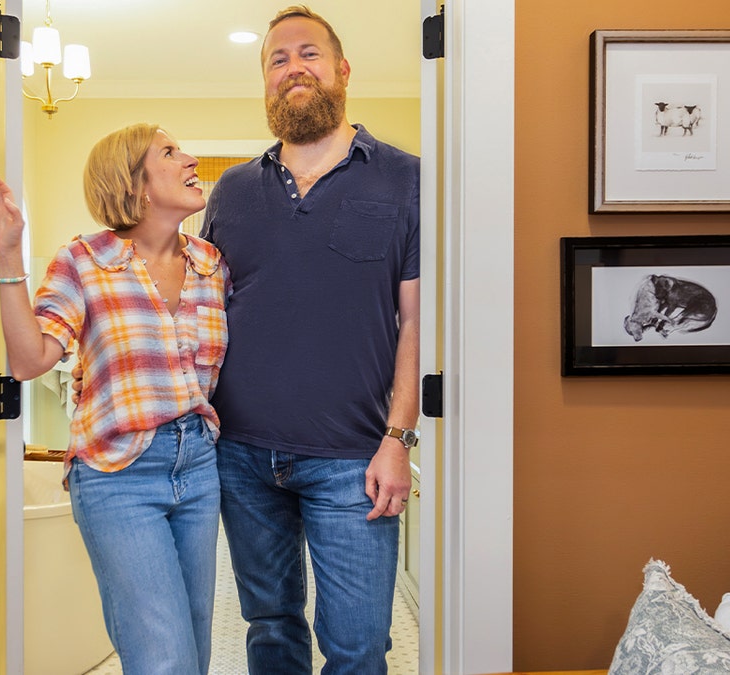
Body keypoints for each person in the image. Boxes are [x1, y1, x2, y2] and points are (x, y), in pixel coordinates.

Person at [200, 5, 420, 674]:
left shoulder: (407, 177)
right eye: (277, 58)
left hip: (353, 458)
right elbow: (199, 312)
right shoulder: (231, 192)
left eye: (309, 53)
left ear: (342, 69)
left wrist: (398, 438)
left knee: (358, 644)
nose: (293, 66)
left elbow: (416, 322)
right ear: (265, 81)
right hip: (240, 454)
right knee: (269, 627)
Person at [0, 122, 230, 675]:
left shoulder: (211, 263)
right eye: (170, 152)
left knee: (193, 649)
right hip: (118, 471)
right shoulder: (83, 260)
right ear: (135, 183)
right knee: (163, 657)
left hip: (198, 465)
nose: (191, 158)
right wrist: (8, 258)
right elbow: (30, 361)